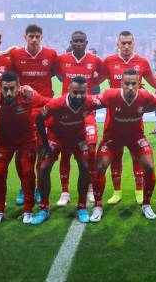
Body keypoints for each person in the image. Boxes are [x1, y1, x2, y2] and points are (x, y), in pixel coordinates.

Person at [90, 70, 156, 222]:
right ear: (121, 84)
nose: (130, 87)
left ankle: (146, 205)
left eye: (133, 84)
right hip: (112, 137)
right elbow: (90, 102)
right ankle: (98, 205)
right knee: (100, 167)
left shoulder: (146, 96)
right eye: (126, 83)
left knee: (149, 167)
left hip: (136, 137)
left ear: (138, 84)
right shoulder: (110, 95)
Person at [97, 31, 156, 205]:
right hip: (113, 116)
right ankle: (117, 191)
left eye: (129, 43)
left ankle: (139, 191)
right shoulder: (109, 61)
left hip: (133, 116)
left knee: (137, 154)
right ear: (117, 43)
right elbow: (95, 80)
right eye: (123, 43)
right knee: (115, 155)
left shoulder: (142, 62)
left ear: (134, 43)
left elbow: (154, 84)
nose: (126, 46)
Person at [32, 76, 99, 225]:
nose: (79, 96)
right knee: (44, 168)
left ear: (87, 91)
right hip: (56, 136)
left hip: (77, 137)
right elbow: (39, 118)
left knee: (85, 166)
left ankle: (81, 207)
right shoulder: (56, 104)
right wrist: (43, 143)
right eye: (75, 92)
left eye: (82, 92)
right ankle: (44, 208)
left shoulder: (89, 102)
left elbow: (109, 101)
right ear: (68, 89)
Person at [8, 24, 58, 207]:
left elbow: (57, 73)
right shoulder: (15, 55)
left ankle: (37, 187)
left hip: (44, 110)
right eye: (31, 36)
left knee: (40, 150)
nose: (34, 39)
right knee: (20, 152)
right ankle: (24, 186)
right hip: (21, 110)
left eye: (37, 36)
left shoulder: (51, 55)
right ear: (25, 37)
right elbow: (6, 75)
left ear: (42, 37)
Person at [0, 71, 45, 224]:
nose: (8, 93)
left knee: (27, 172)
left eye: (12, 88)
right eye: (5, 89)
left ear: (19, 87)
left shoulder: (28, 95)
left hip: (26, 140)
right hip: (4, 141)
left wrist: (36, 93)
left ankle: (28, 210)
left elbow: (48, 102)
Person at [55, 31, 102, 207]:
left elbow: (104, 74)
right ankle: (65, 192)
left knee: (90, 150)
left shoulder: (95, 60)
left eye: (82, 41)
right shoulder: (62, 59)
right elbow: (55, 72)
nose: (79, 44)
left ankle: (90, 188)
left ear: (86, 42)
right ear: (71, 42)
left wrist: (93, 85)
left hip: (87, 110)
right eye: (76, 41)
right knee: (65, 152)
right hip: (65, 111)